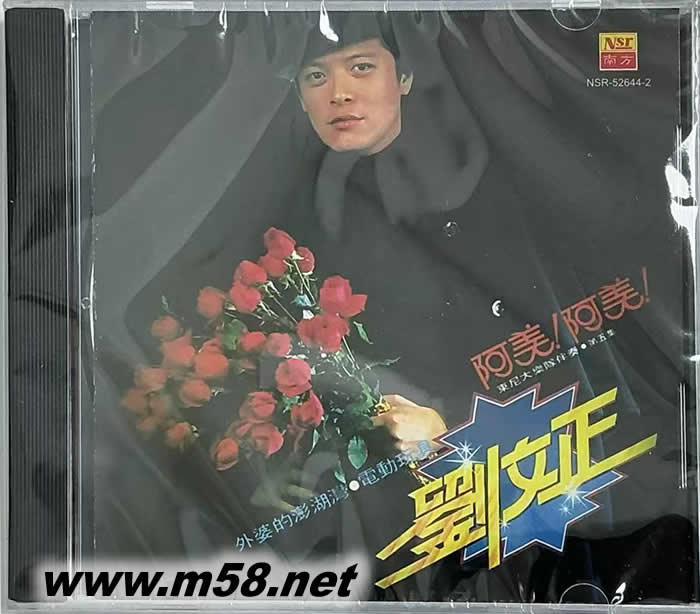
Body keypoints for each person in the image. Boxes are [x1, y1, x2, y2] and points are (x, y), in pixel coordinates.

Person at [91, 8, 694, 603]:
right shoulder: (288, 226)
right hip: (397, 538)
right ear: (297, 93)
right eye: (316, 76)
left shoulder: (503, 184)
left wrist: (448, 434)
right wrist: (271, 465)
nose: (339, 93)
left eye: (360, 67)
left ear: (403, 77)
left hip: (556, 504)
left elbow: (596, 371)